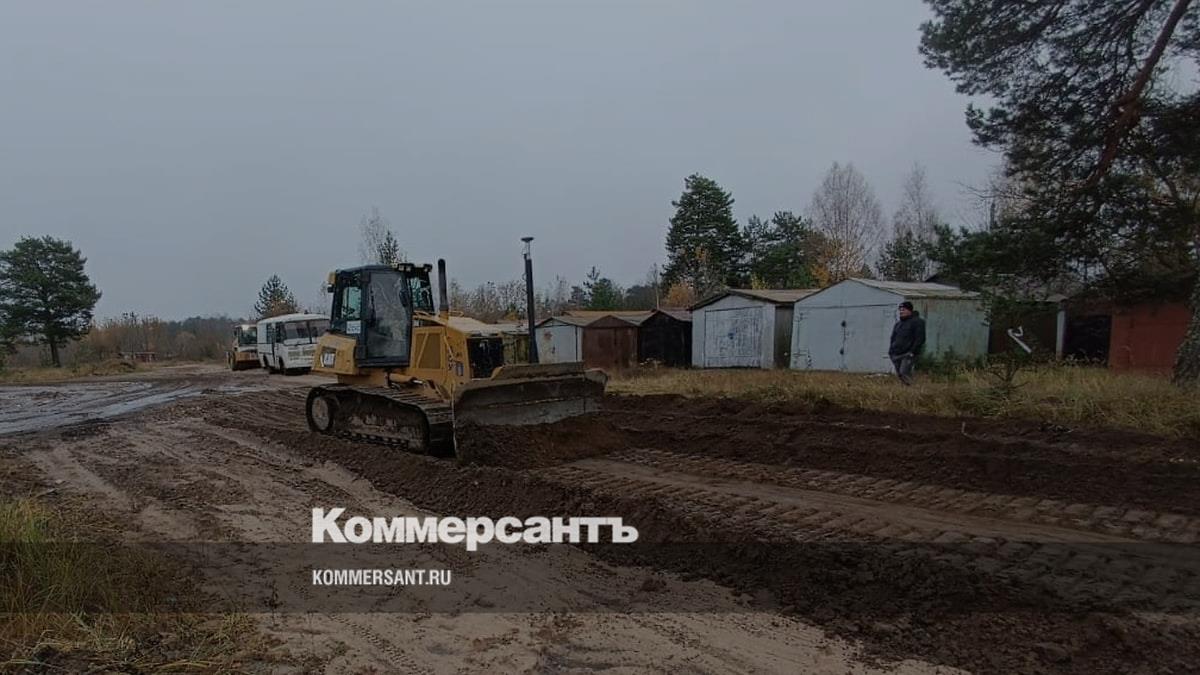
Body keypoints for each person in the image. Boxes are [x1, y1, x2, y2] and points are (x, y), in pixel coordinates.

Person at [889, 301, 925, 385]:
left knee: (904, 372)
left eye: (903, 309)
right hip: (896, 353)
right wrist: (891, 351)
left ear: (910, 310)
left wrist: (912, 351)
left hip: (908, 353)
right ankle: (906, 389)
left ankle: (913, 389)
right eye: (900, 310)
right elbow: (893, 338)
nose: (901, 311)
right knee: (900, 374)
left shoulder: (917, 322)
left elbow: (920, 338)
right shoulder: (898, 324)